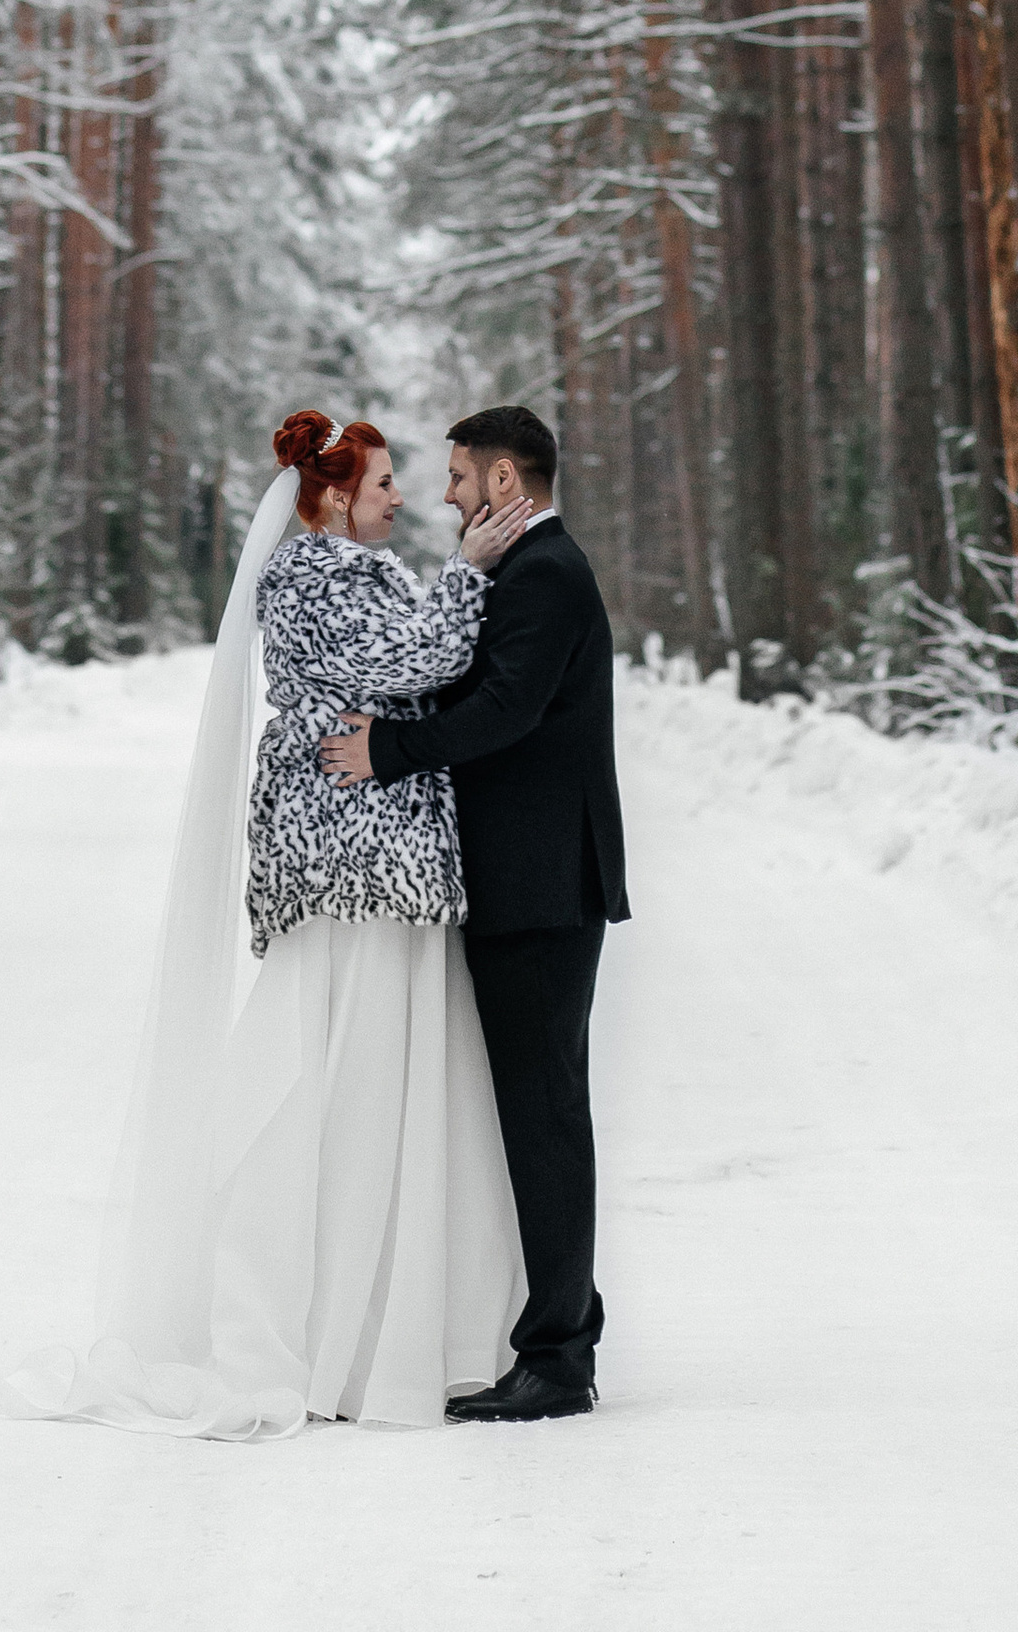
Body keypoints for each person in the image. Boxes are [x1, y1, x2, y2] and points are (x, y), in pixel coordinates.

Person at [0, 412, 530, 1436]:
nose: (400, 499)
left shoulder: (346, 570)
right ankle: (316, 1332)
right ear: (329, 497)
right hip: (350, 868)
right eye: (380, 487)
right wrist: (468, 570)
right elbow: (411, 667)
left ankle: (374, 1331)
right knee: (337, 1085)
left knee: (376, 1087)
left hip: (384, 865)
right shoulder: (313, 577)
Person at [321, 404, 627, 1424]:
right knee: (540, 1110)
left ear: (504, 481)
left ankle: (557, 1357)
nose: (445, 493)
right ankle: (560, 1328)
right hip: (525, 881)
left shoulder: (544, 575)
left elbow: (504, 709)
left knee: (544, 1116)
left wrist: (385, 754)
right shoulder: (523, 567)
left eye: (459, 476)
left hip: (539, 886)